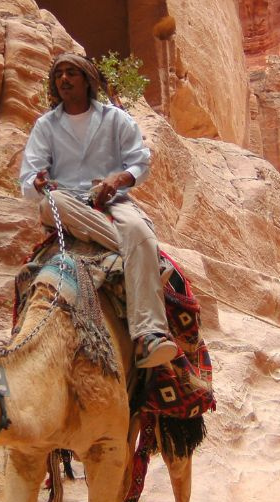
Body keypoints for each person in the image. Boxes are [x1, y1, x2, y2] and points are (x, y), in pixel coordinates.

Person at [19, 52, 178, 368]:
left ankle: (149, 335)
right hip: (66, 202)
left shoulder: (115, 119)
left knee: (140, 230)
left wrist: (118, 179)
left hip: (112, 201)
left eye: (71, 73)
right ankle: (145, 261)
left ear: (87, 80)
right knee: (52, 204)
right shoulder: (45, 126)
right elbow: (28, 177)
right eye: (59, 74)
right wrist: (37, 182)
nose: (64, 79)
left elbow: (140, 162)